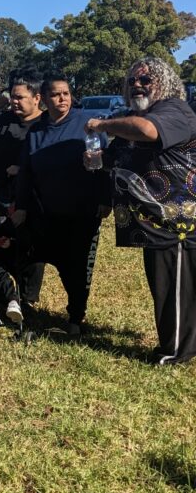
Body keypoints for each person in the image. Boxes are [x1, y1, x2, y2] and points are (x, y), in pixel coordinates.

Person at [86, 57, 196, 364]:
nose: (137, 85)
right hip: (155, 221)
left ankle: (175, 353)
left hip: (178, 221)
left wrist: (102, 125)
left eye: (145, 80)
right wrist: (98, 160)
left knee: (174, 289)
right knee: (168, 285)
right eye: (131, 80)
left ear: (164, 84)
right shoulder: (133, 118)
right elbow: (118, 157)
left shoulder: (173, 110)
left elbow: (148, 132)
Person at [14, 74, 110, 336]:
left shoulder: (86, 124)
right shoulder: (36, 131)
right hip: (44, 210)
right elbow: (26, 171)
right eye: (56, 94)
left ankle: (76, 318)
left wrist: (105, 198)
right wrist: (21, 205)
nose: (62, 98)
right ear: (43, 99)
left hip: (81, 210)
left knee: (76, 267)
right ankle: (24, 306)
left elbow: (103, 166)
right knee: (30, 258)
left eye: (66, 93)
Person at [0, 72, 45, 305]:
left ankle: (28, 298)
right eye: (12, 97)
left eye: (20, 97)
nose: (15, 101)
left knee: (30, 248)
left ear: (36, 98)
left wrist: (23, 168)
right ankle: (1, 292)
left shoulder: (45, 125)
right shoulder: (4, 121)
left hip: (33, 196)